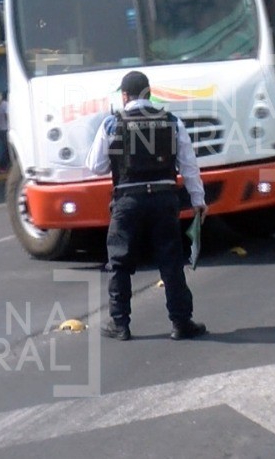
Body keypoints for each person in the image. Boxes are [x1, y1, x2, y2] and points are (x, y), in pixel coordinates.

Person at [86, 70, 208, 341]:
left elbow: (95, 166)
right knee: (171, 261)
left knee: (119, 262)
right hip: (164, 199)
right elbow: (189, 165)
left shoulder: (112, 123)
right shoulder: (172, 122)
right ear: (150, 93)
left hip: (127, 201)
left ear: (124, 96)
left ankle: (120, 324)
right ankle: (181, 322)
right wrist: (198, 200)